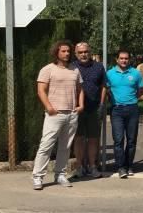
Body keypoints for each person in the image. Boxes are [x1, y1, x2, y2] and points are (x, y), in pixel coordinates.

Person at [31, 40, 84, 190]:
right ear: (57, 53)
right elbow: (41, 90)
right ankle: (37, 177)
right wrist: (49, 107)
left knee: (65, 147)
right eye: (63, 51)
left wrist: (81, 105)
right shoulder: (48, 69)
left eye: (68, 51)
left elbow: (80, 89)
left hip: (72, 114)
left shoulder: (75, 69)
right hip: (55, 114)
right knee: (46, 145)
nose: (67, 53)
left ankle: (60, 174)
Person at [106, 49, 143, 179]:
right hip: (116, 110)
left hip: (132, 109)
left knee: (131, 140)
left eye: (126, 58)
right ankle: (121, 167)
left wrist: (132, 100)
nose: (124, 61)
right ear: (117, 60)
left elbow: (140, 90)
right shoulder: (110, 73)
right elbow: (106, 90)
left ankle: (129, 165)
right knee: (118, 140)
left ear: (129, 60)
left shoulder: (136, 73)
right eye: (121, 58)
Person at [72, 41, 107, 179]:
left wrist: (102, 104)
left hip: (94, 108)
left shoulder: (98, 67)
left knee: (93, 139)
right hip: (77, 109)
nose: (83, 54)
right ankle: (80, 167)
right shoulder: (71, 67)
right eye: (80, 52)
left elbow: (104, 86)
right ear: (76, 54)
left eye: (86, 51)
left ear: (90, 52)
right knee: (78, 139)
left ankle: (93, 167)